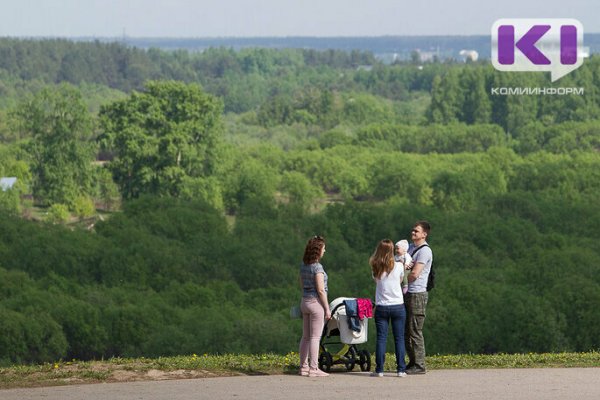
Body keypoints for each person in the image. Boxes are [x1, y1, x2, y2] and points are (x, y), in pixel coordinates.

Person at [370, 239, 407, 378]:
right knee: (399, 338)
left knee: (381, 338)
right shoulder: (399, 266)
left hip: (382, 306)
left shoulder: (375, 266)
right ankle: (401, 369)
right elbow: (400, 281)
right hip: (397, 305)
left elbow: (376, 281)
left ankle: (379, 369)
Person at [298, 235, 331, 377]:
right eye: (323, 248)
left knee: (305, 337)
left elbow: (300, 283)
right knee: (315, 337)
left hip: (304, 301)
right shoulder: (317, 267)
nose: (325, 251)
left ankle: (303, 367)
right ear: (318, 250)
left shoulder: (304, 265)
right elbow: (321, 289)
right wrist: (327, 308)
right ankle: (314, 368)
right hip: (315, 303)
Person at [405, 221, 433, 375]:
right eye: (412, 230)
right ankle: (412, 361)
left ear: (424, 234)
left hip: (417, 293)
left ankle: (420, 365)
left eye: (416, 231)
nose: (413, 233)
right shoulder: (410, 247)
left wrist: (398, 280)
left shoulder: (425, 251)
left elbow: (415, 274)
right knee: (406, 331)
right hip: (407, 292)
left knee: (415, 329)